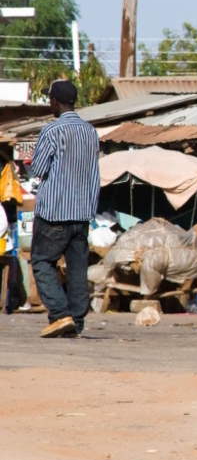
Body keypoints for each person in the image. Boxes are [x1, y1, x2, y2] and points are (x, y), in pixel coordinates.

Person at [30, 81, 100, 338]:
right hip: (82, 213)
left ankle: (60, 315)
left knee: (41, 262)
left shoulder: (52, 131)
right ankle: (76, 324)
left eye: (50, 100)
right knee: (77, 270)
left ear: (55, 102)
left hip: (54, 213)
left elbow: (38, 169)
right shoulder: (90, 132)